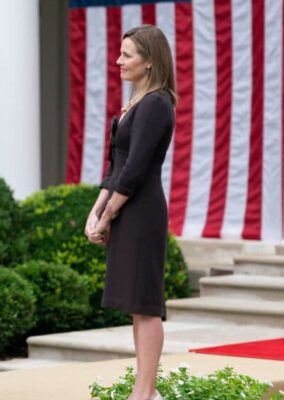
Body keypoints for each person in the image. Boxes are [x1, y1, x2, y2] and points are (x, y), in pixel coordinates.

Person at [84, 25, 177, 400]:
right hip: (125, 208)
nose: (118, 61)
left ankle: (144, 392)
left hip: (141, 211)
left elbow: (136, 168)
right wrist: (96, 211)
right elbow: (115, 166)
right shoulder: (135, 102)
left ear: (150, 62)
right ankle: (146, 391)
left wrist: (108, 216)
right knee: (135, 306)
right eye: (119, 53)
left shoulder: (156, 103)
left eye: (127, 55)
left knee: (146, 305)